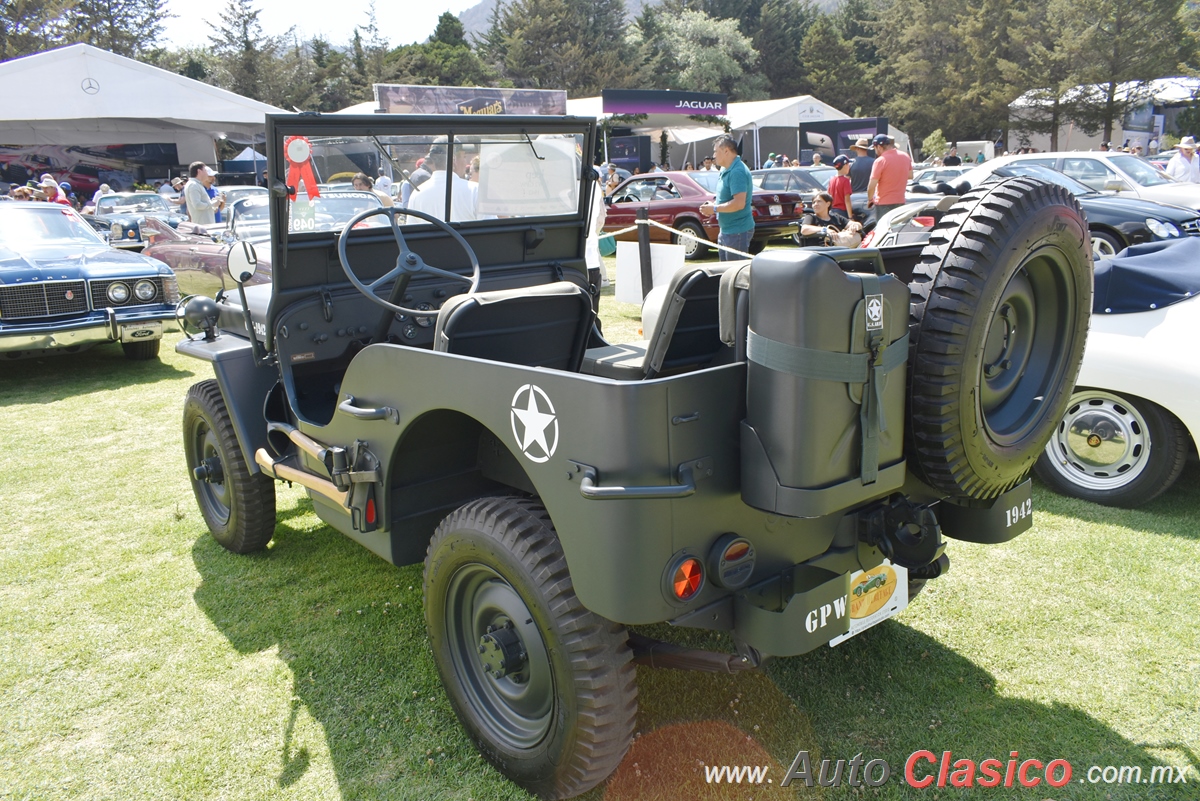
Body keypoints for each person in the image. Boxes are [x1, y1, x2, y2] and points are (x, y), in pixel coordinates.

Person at [698, 134, 754, 261]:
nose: (713, 156)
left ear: (726, 151)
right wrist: (713, 204)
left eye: (716, 152)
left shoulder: (737, 172)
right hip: (727, 230)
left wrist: (715, 209)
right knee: (725, 273)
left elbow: (739, 203)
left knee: (735, 277)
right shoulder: (725, 169)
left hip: (737, 231)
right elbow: (726, 196)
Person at [407, 141, 478, 222]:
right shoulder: (475, 190)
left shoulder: (416, 194)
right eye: (464, 157)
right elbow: (490, 229)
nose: (466, 163)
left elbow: (411, 231)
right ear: (453, 160)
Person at [865, 133, 913, 220]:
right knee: (898, 230)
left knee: (884, 231)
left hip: (884, 203)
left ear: (879, 147)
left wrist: (870, 199)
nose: (875, 151)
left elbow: (871, 186)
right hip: (900, 201)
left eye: (875, 148)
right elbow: (910, 175)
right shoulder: (905, 156)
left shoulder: (880, 161)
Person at [585, 173, 609, 286]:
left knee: (593, 248)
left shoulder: (593, 187)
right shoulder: (597, 186)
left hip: (596, 220)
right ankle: (603, 277)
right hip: (598, 219)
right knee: (594, 248)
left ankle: (603, 277)